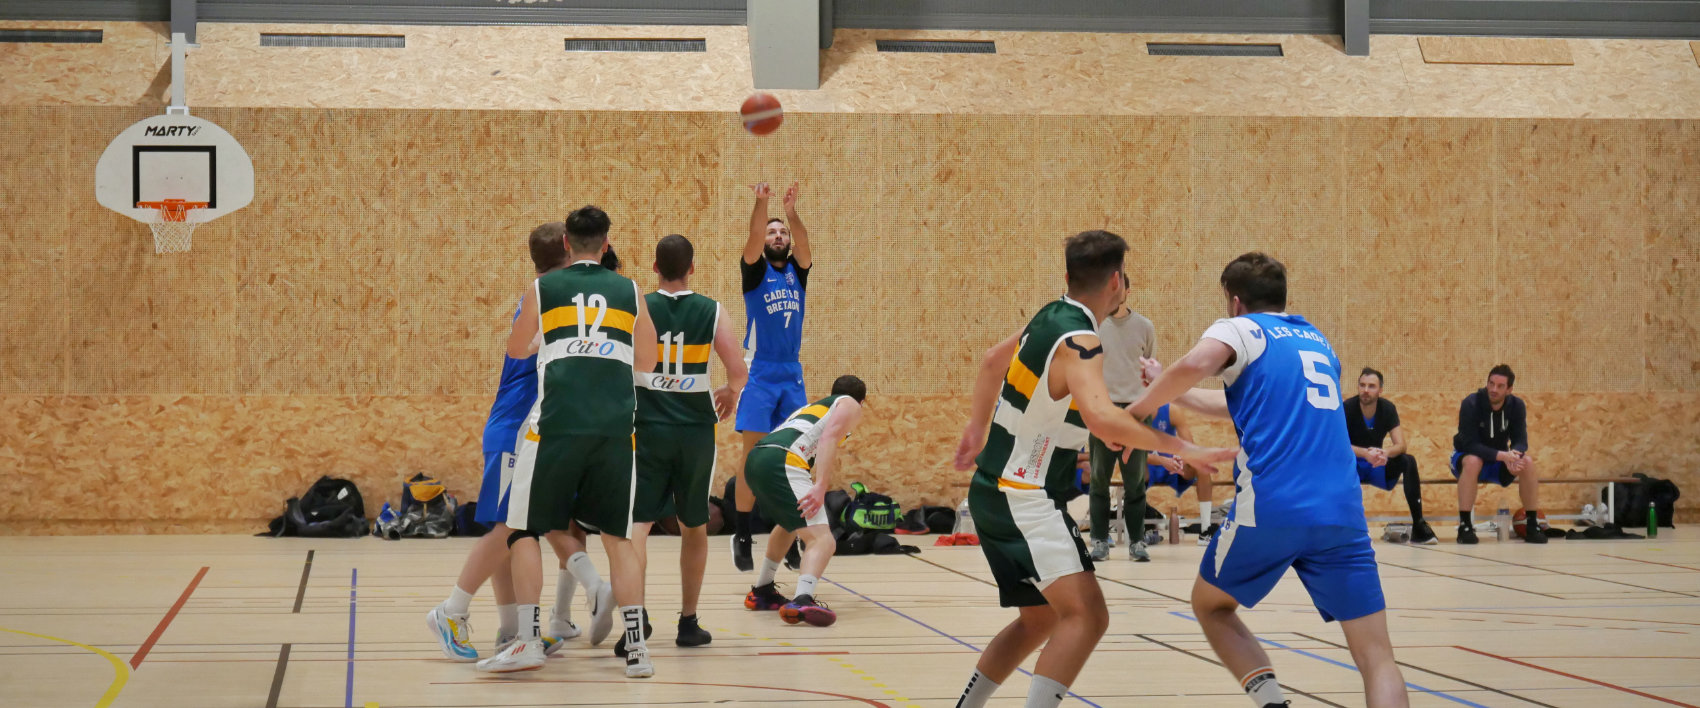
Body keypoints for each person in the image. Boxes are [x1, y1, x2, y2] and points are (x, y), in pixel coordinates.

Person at [950, 230, 1238, 708]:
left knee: (1040, 621)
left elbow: (990, 364)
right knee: (1088, 616)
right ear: (1117, 282)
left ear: (1068, 277)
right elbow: (1104, 414)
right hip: (1023, 496)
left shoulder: (1049, 315)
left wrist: (977, 429)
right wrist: (1182, 447)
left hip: (994, 489)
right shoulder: (1082, 339)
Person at [1131, 252, 1409, 708]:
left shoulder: (1240, 328)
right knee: (1378, 656)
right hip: (1341, 512)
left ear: (1235, 302)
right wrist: (1170, 384)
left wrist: (1141, 406)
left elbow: (1197, 361)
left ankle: (1273, 703)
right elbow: (1236, 404)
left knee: (1210, 605)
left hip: (1275, 506)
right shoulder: (1314, 340)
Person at [479, 206, 660, 678]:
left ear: (565, 244)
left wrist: (556, 343)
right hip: (616, 428)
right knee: (618, 539)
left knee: (523, 530)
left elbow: (517, 349)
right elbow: (648, 360)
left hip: (555, 425)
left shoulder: (543, 287)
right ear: (605, 244)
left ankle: (527, 641)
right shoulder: (630, 288)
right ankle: (638, 650)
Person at [424, 222, 613, 665]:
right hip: (514, 427)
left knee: (520, 530)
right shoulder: (552, 296)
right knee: (510, 528)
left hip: (533, 427)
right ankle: (451, 611)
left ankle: (512, 630)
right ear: (568, 249)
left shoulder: (548, 293)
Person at [627, 234, 749, 652]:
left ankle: (634, 620)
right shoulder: (712, 310)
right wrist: (731, 391)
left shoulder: (637, 305)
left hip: (645, 425)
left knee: (638, 526)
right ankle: (688, 622)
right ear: (692, 268)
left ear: (655, 267)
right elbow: (737, 369)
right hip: (695, 429)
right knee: (693, 524)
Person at [730, 182, 813, 573]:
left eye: (782, 233)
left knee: (793, 460)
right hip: (759, 373)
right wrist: (762, 204)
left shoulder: (799, 271)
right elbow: (752, 235)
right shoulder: (754, 271)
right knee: (753, 456)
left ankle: (789, 534)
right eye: (772, 232)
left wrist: (791, 212)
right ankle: (743, 534)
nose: (777, 236)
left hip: (791, 374)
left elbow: (805, 241)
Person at [742, 375, 869, 628]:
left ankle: (762, 590)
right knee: (823, 539)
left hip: (759, 457)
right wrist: (821, 484)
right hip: (783, 460)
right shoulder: (850, 404)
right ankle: (803, 598)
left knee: (791, 524)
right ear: (863, 401)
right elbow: (828, 438)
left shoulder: (813, 408)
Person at [1084, 274, 1158, 562]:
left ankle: (1137, 542)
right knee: (1099, 480)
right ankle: (1100, 541)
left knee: (1135, 481)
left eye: (1120, 289)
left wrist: (1146, 408)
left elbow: (1150, 372)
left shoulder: (1144, 327)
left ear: (1127, 290)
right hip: (1103, 409)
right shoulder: (1094, 327)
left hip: (1136, 413)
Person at [1451, 365, 1542, 545]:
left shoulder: (1517, 405)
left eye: (1500, 386)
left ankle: (1532, 523)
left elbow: (1521, 440)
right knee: (1473, 461)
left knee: (1528, 462)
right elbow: (1470, 445)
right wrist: (1503, 456)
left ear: (1509, 389)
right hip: (1466, 457)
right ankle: (1465, 526)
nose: (1493, 389)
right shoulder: (1471, 403)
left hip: (1498, 460)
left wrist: (1515, 455)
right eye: (1491, 384)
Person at [1347, 368, 1435, 545]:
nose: (1366, 390)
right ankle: (1341, 527)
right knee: (1329, 463)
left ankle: (1419, 524)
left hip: (1376, 464)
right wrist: (1365, 453)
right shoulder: (1347, 408)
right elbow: (1338, 444)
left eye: (1371, 386)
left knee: (1408, 461)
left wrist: (1385, 453)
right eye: (1362, 385)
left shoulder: (1387, 408)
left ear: (1380, 390)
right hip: (1351, 464)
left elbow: (1401, 445)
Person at [1144, 402, 1219, 549]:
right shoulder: (1134, 412)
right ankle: (1138, 529)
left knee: (1200, 466)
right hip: (1148, 465)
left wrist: (1182, 458)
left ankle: (1205, 528)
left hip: (1172, 465)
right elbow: (1131, 453)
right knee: (1136, 468)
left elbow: (1190, 446)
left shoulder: (1172, 410)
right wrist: (1161, 460)